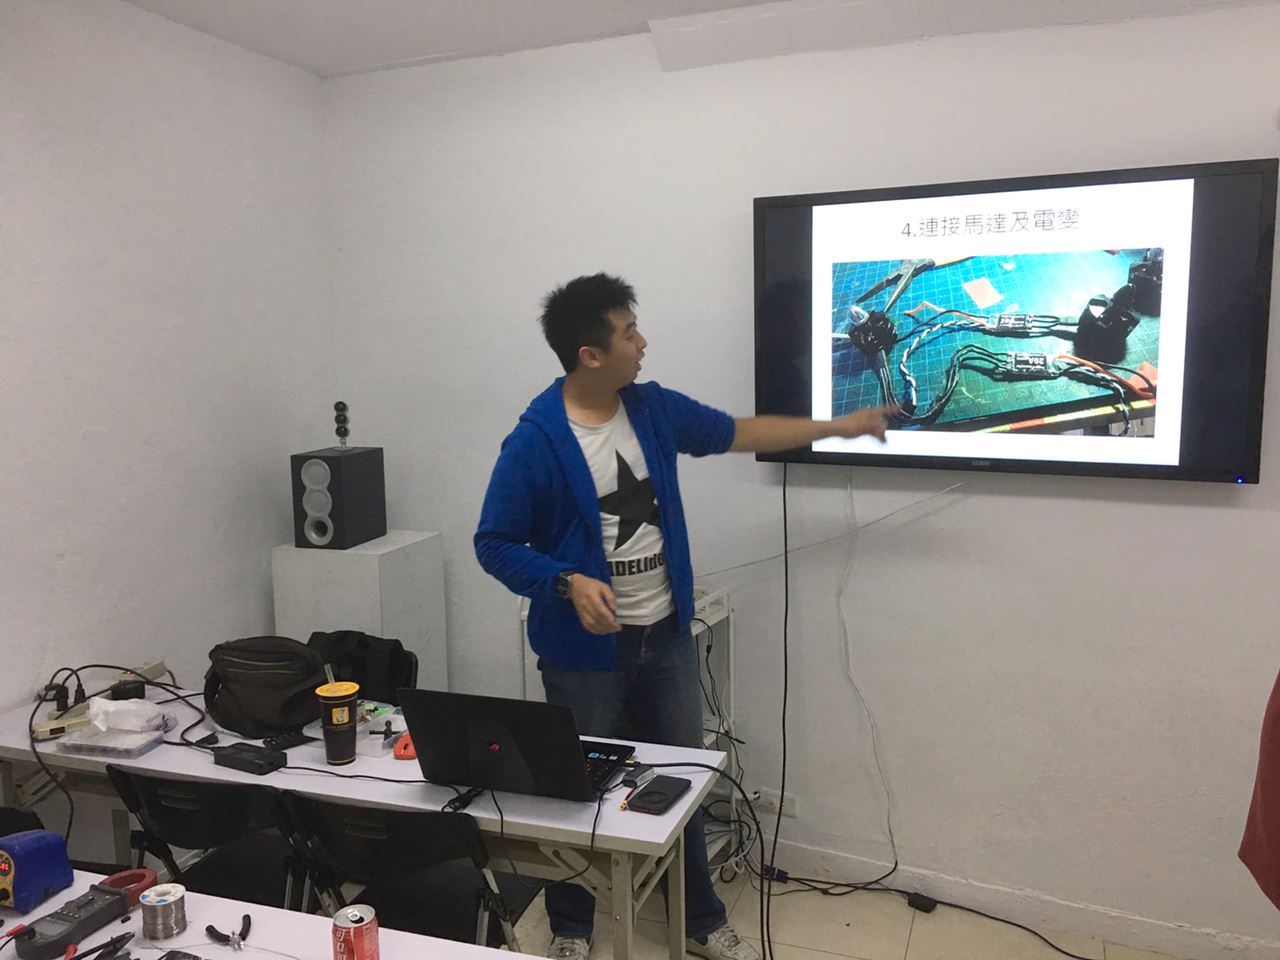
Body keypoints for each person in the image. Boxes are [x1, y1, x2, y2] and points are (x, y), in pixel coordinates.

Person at [474, 273, 892, 960]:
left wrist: (837, 426)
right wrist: (565, 582)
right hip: (583, 660)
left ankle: (700, 919)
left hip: (665, 640)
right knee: (575, 794)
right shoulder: (535, 441)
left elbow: (740, 431)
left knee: (682, 788)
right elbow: (493, 543)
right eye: (628, 333)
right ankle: (572, 927)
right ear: (590, 355)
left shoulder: (653, 410)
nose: (643, 343)